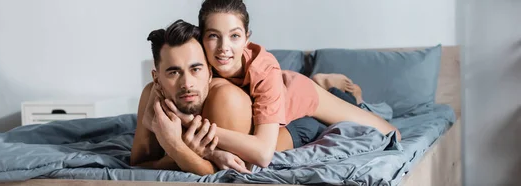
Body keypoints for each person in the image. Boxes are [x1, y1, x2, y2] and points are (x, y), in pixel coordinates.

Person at [159, 0, 402, 169]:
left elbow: (263, 155)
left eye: (234, 36)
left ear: (246, 39)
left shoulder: (264, 69)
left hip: (298, 96)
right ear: (202, 38)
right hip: (268, 108)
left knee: (390, 132)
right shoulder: (196, 60)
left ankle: (336, 88)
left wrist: (194, 126)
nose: (224, 48)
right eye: (214, 36)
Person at [129, 19, 328, 176]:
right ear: (157, 79)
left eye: (196, 69)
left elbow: (222, 172)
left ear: (209, 71)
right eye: (173, 72)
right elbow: (138, 164)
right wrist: (192, 151)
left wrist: (175, 146)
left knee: (343, 100)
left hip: (298, 122)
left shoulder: (224, 98)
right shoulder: (152, 94)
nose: (187, 84)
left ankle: (325, 82)